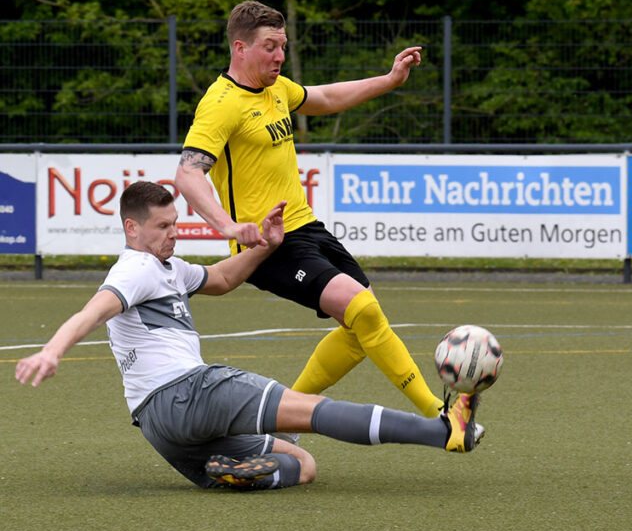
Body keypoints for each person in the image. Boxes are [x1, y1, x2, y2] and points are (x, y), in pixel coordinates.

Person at [14, 181, 482, 491]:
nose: (173, 234)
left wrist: (266, 248)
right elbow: (95, 310)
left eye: (176, 224)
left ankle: (239, 476)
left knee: (301, 465)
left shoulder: (167, 268)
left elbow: (219, 278)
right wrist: (53, 351)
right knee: (314, 413)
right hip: (190, 392)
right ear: (131, 228)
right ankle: (442, 433)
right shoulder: (135, 270)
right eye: (162, 227)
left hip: (160, 428)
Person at [174, 0, 466, 442]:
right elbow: (188, 172)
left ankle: (280, 421)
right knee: (363, 310)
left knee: (360, 328)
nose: (279, 56)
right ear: (240, 48)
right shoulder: (220, 104)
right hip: (268, 246)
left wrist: (388, 80)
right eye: (270, 47)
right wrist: (230, 228)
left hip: (307, 229)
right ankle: (441, 417)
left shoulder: (277, 90)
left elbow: (326, 97)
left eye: (283, 46)